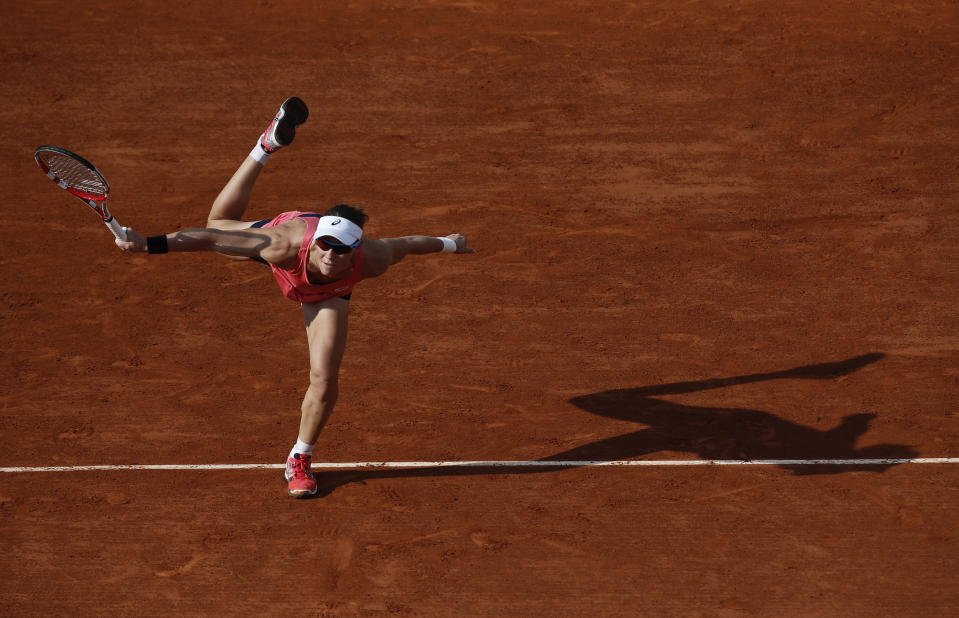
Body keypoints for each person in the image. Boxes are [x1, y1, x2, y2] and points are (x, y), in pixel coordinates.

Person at [116, 98, 475, 497]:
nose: (329, 254)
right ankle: (265, 146)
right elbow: (209, 238)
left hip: (326, 296)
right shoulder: (281, 244)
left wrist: (449, 244)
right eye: (324, 245)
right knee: (218, 225)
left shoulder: (373, 258)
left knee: (324, 377)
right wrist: (146, 245)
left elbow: (409, 244)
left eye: (339, 250)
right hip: (287, 257)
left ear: (356, 251)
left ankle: (299, 459)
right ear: (316, 238)